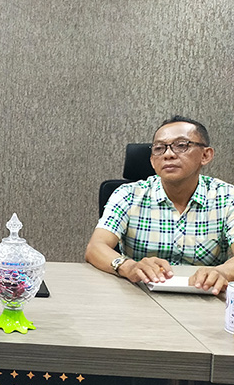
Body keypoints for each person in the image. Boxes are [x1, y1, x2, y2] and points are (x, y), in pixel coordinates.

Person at [85, 115, 234, 294]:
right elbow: (96, 247)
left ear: (205, 155)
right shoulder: (128, 195)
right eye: (159, 148)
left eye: (181, 145)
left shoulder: (227, 197)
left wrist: (221, 272)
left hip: (206, 294)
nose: (168, 154)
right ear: (152, 161)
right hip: (139, 294)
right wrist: (128, 266)